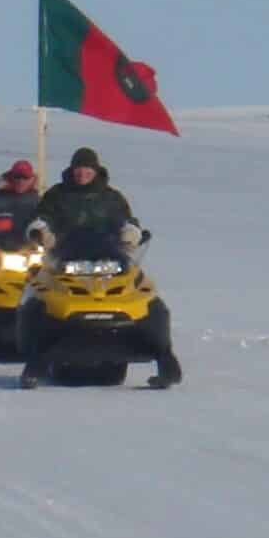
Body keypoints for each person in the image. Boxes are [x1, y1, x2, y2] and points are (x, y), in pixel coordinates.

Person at [22, 146, 181, 389]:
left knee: (148, 298)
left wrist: (131, 232)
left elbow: (126, 219)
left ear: (95, 170)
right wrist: (40, 229)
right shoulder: (57, 195)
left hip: (110, 260)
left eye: (87, 168)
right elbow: (42, 216)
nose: (82, 173)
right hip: (65, 259)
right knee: (39, 298)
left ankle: (165, 358)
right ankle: (34, 362)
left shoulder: (111, 198)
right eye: (78, 168)